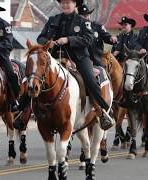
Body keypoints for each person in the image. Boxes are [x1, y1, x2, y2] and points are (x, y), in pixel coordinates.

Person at [37, 0, 114, 131]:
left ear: (75, 5)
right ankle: (23, 112)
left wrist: (68, 40)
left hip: (78, 58)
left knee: (90, 79)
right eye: (63, 3)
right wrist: (48, 42)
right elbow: (40, 38)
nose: (65, 5)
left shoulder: (83, 21)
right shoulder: (52, 20)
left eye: (68, 3)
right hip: (55, 57)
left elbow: (88, 39)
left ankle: (101, 111)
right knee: (35, 76)